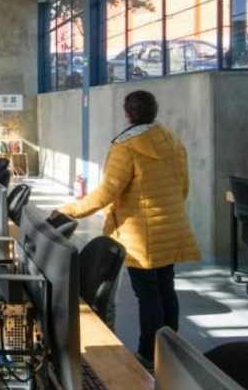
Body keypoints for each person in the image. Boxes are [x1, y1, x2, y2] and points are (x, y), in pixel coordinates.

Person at [51, 90, 200, 369]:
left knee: (147, 292)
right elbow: (184, 186)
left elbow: (108, 192)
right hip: (171, 226)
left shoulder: (126, 147)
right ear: (155, 111)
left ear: (128, 114)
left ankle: (148, 353)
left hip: (141, 233)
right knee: (166, 286)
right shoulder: (172, 140)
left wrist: (71, 210)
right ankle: (171, 351)